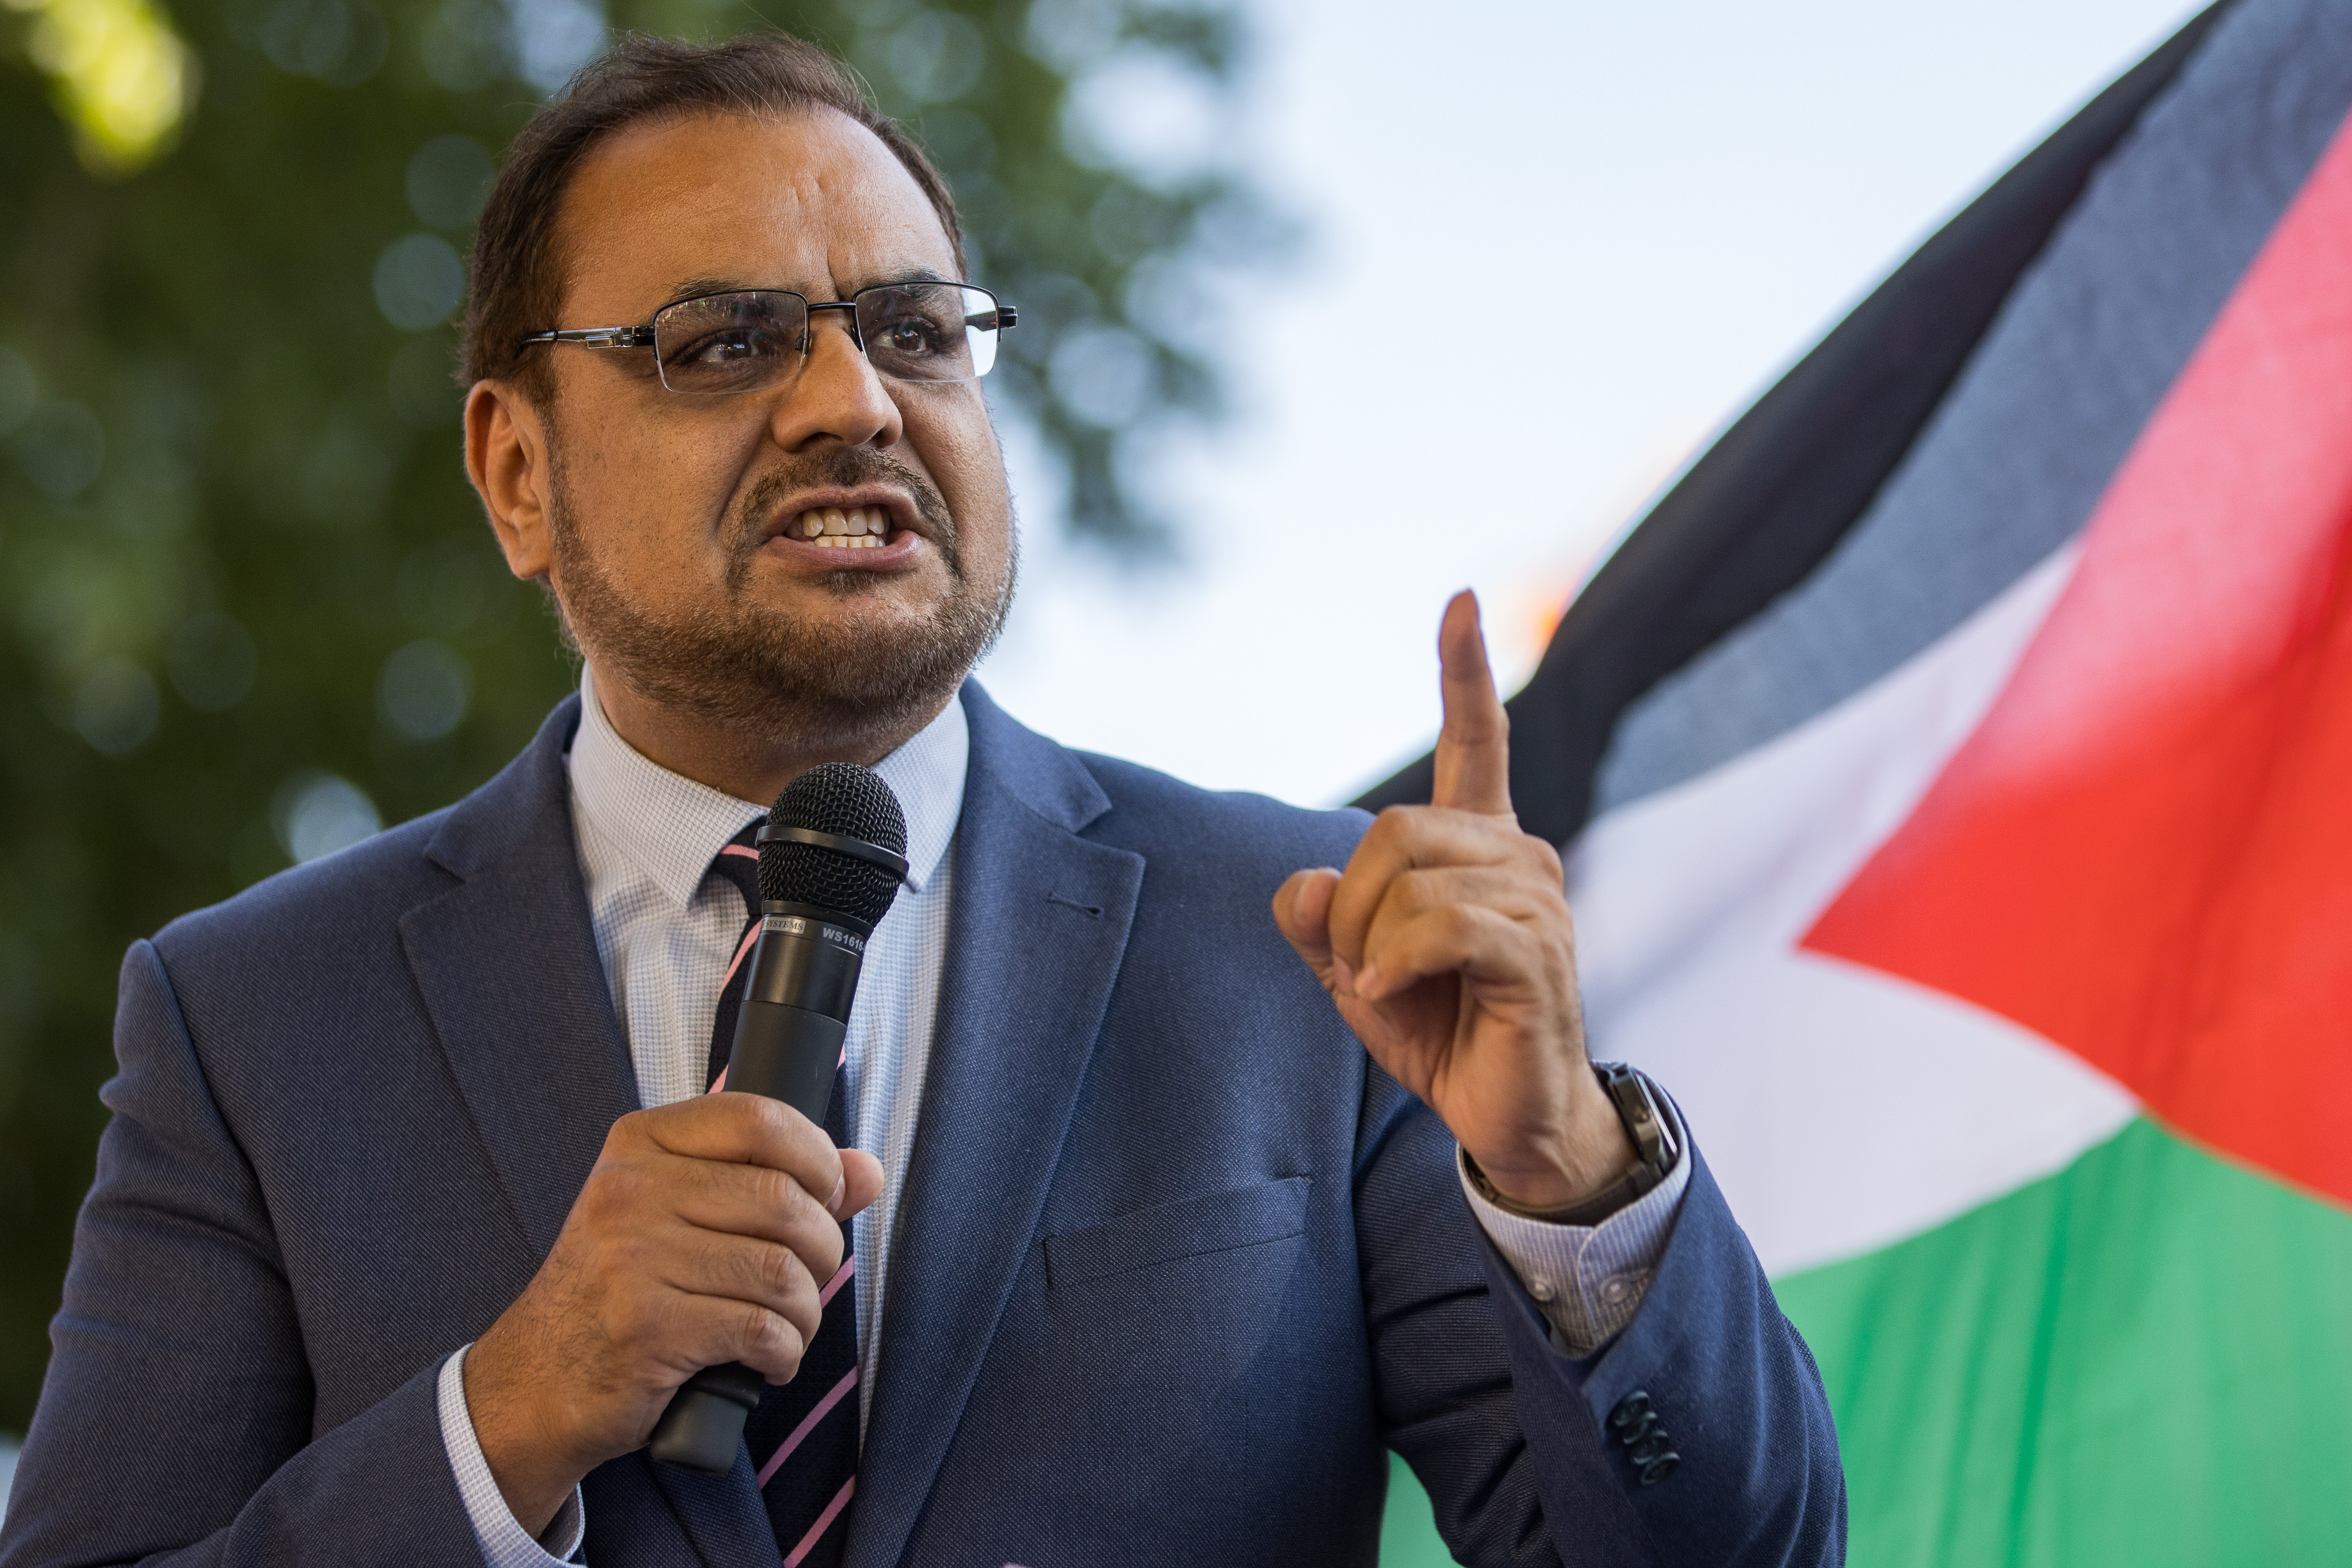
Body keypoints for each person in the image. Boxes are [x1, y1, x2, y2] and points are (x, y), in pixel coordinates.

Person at [0, 32, 1842, 1568]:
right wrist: (505, 1419)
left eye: (915, 327)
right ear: (515, 473)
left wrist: (1570, 1180)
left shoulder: (1316, 947)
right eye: (721, 339)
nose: (848, 401)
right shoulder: (253, 1020)